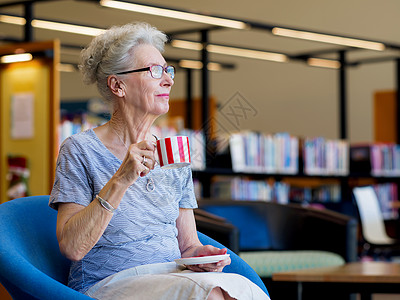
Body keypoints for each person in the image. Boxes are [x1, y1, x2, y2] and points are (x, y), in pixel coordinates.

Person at [49, 22, 269, 300]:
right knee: (211, 294)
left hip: (172, 277)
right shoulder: (79, 150)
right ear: (118, 85)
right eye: (155, 71)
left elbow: (188, 245)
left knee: (248, 291)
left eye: (168, 70)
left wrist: (200, 256)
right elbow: (72, 247)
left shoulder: (174, 152)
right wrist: (121, 179)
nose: (168, 80)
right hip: (108, 284)